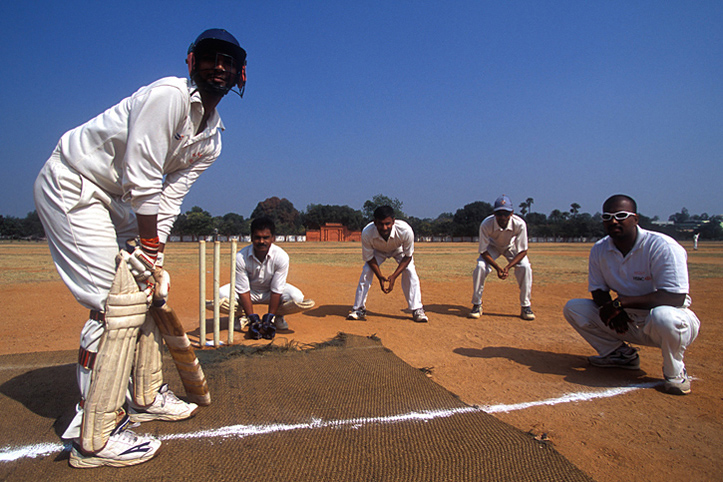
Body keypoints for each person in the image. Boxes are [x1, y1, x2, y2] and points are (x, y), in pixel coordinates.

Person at [33, 28, 247, 468]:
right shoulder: (169, 95)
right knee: (112, 303)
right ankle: (95, 432)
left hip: (119, 201)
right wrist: (147, 243)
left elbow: (170, 199)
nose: (219, 66)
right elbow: (143, 176)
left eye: (228, 60)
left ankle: (145, 394)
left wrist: (156, 252)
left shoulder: (213, 139)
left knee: (148, 289)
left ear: (241, 73)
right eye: (210, 58)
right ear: (192, 62)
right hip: (75, 183)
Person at [563, 194, 700, 395]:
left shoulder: (662, 247)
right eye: (607, 216)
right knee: (575, 308)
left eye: (620, 215)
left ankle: (675, 372)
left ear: (635, 219)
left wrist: (621, 303)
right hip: (628, 320)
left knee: (664, 316)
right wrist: (609, 310)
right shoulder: (600, 249)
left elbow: (674, 297)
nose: (613, 221)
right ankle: (620, 355)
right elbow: (599, 290)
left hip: (668, 324)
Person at [213, 217, 314, 336]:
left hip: (270, 291)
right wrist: (252, 319)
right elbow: (243, 290)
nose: (261, 241)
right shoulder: (240, 257)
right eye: (257, 237)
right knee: (220, 295)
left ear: (273, 238)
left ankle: (278, 317)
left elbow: (277, 290)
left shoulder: (281, 256)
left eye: (265, 237)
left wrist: (269, 319)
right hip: (249, 291)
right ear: (251, 238)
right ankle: (241, 316)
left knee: (296, 297)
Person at [347, 205, 428, 323]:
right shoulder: (367, 232)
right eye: (380, 224)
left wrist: (394, 276)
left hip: (398, 249)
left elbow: (408, 256)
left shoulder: (405, 230)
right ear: (375, 222)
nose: (384, 228)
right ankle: (358, 308)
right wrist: (380, 276)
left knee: (410, 271)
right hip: (378, 251)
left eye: (388, 224)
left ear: (393, 221)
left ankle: (417, 309)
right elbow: (369, 258)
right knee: (367, 271)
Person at [469, 195, 535, 320]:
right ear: (494, 213)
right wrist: (498, 268)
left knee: (525, 267)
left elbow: (523, 251)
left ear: (512, 213)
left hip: (511, 247)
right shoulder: (486, 224)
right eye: (499, 213)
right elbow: (483, 250)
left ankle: (526, 306)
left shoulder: (519, 224)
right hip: (492, 247)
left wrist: (508, 267)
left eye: (506, 213)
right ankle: (477, 304)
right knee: (480, 267)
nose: (503, 217)